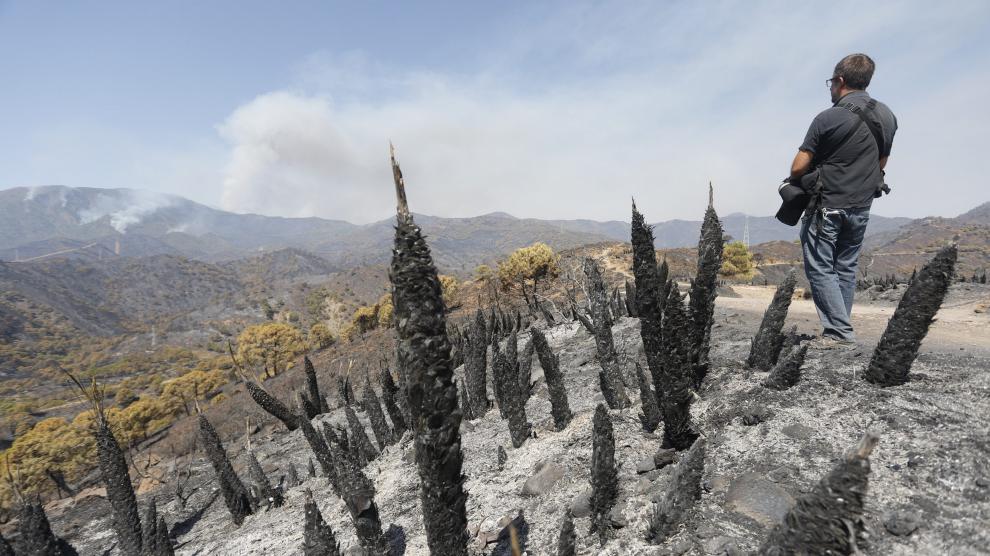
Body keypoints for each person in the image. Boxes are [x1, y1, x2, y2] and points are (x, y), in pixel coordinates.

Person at [789, 53, 897, 348]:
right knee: (845, 267)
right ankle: (839, 328)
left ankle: (839, 333)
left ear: (839, 81)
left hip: (827, 204)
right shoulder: (887, 116)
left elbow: (798, 167)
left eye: (831, 84)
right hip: (862, 205)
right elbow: (881, 160)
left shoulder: (828, 117)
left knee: (820, 267)